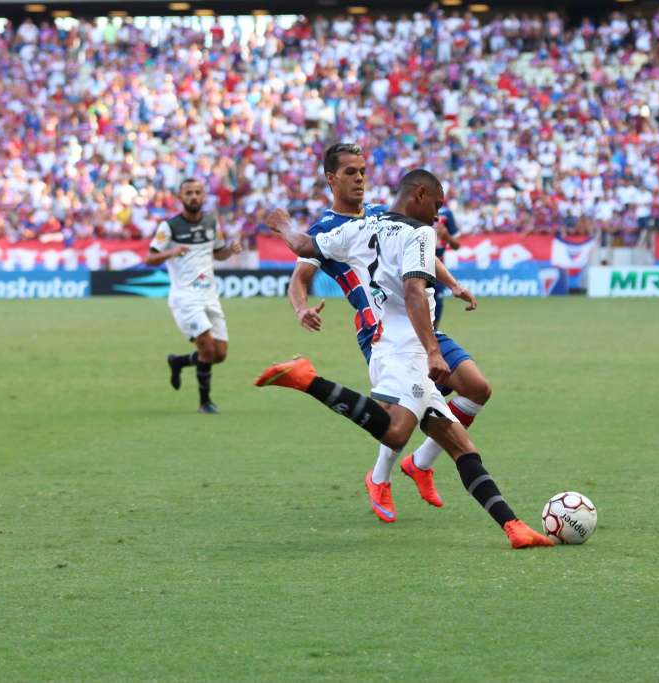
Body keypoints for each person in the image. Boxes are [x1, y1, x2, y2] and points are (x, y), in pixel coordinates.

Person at [257, 169, 552, 549]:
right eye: (437, 205)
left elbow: (303, 246)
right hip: (402, 348)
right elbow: (414, 291)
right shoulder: (418, 232)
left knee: (462, 446)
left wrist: (282, 225)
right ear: (420, 195)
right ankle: (307, 379)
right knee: (397, 431)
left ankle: (514, 527)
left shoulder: (364, 228)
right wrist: (432, 351)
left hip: (395, 342)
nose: (438, 215)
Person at [286, 144, 493, 523]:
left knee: (477, 389)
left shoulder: (383, 214)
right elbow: (299, 279)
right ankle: (379, 477)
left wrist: (454, 283)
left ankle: (421, 464)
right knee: (404, 416)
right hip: (378, 330)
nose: (360, 178)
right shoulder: (325, 230)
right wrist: (301, 308)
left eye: (363, 170)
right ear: (331, 179)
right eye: (350, 172)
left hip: (420, 327)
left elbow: (422, 252)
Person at [146, 179, 242, 413]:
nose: (194, 197)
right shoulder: (168, 227)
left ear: (204, 195)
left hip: (210, 295)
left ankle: (178, 361)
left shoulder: (211, 222)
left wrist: (230, 250)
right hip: (185, 297)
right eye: (188, 193)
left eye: (198, 192)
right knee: (207, 350)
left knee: (219, 354)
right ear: (180, 197)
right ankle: (204, 402)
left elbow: (217, 253)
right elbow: (150, 258)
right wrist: (172, 251)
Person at [433, 203, 462, 329]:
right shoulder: (415, 211)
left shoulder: (445, 214)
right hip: (417, 263)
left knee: (437, 302)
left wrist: (446, 237)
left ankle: (433, 334)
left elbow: (456, 246)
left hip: (438, 267)